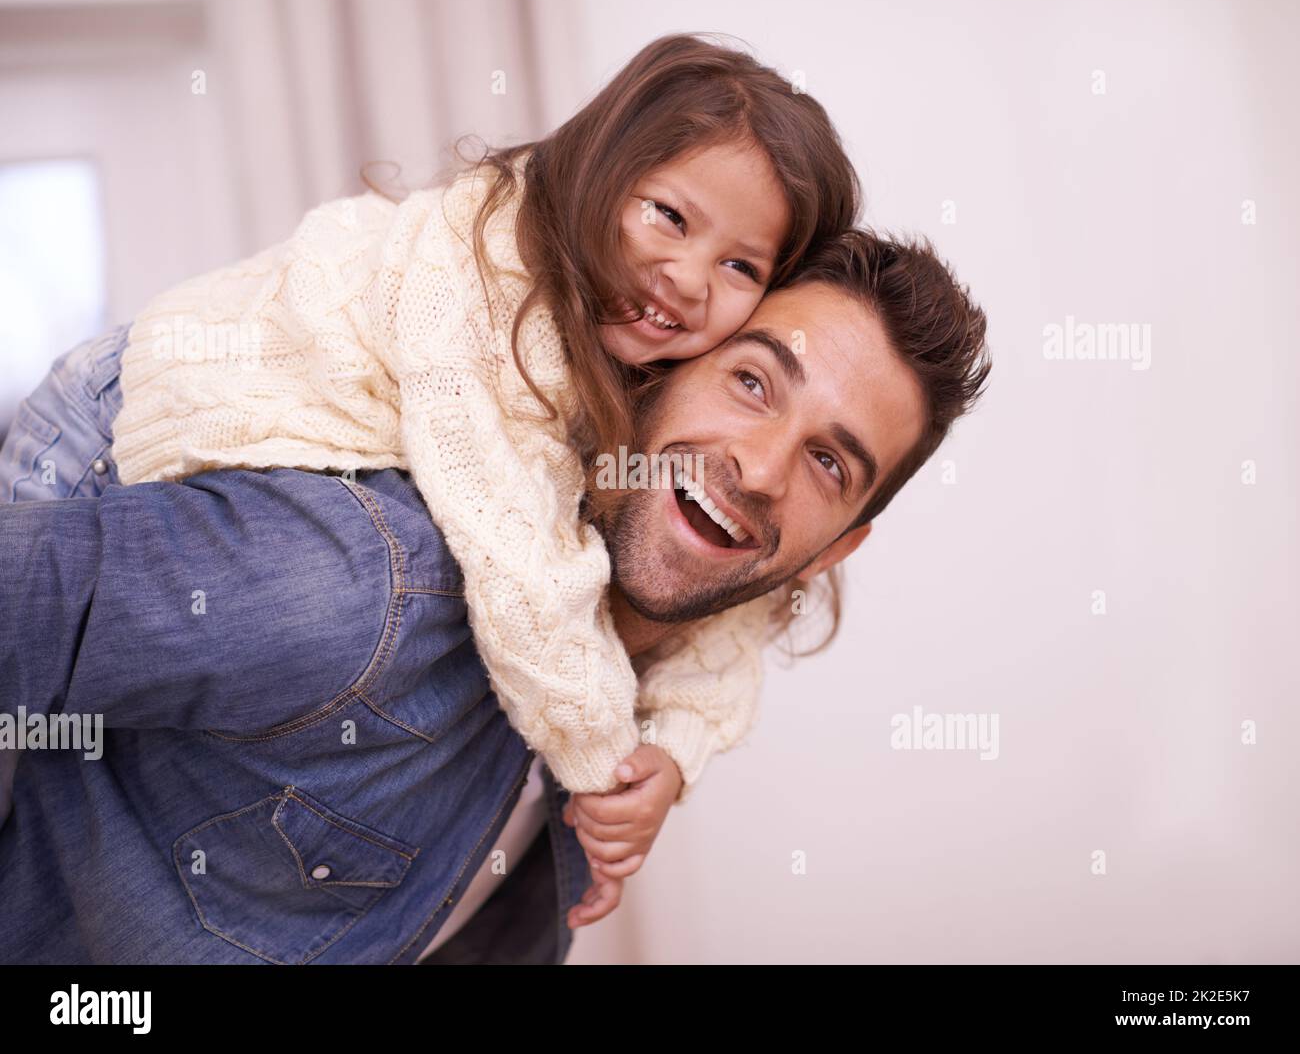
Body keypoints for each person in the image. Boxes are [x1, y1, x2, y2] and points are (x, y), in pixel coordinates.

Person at [0, 226, 990, 963]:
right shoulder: (365, 583)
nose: (762, 466)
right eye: (752, 383)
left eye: (828, 461)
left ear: (835, 549)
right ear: (658, 369)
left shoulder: (640, 717)